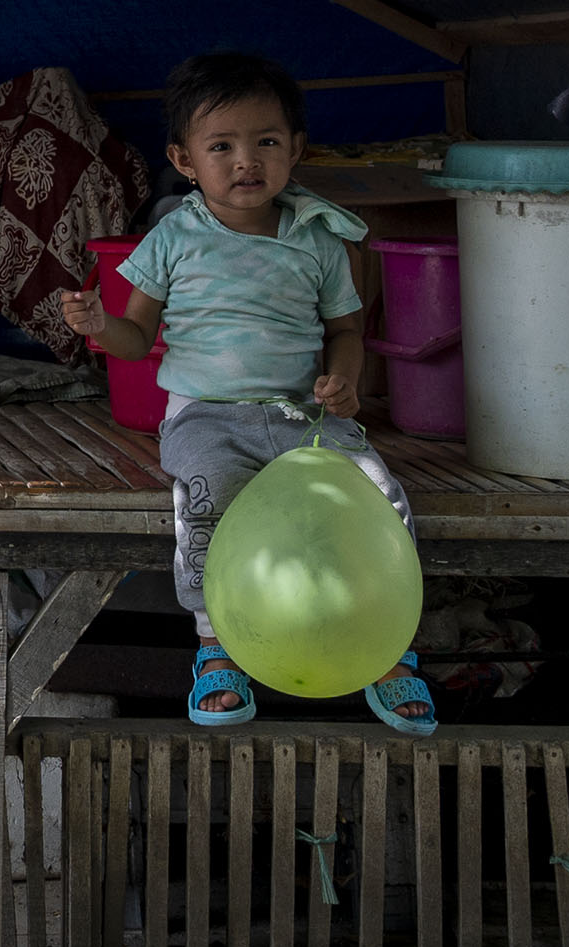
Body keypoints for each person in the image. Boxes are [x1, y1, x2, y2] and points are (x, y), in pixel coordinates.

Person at [59, 51, 436, 734]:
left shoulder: (318, 238)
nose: (246, 161)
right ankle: (217, 645)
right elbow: (137, 339)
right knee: (207, 500)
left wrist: (346, 380)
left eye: (266, 141)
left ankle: (389, 650)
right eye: (222, 145)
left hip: (304, 413)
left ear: (296, 149)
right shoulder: (173, 236)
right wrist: (100, 326)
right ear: (184, 158)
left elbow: (346, 330)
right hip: (206, 417)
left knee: (381, 494)